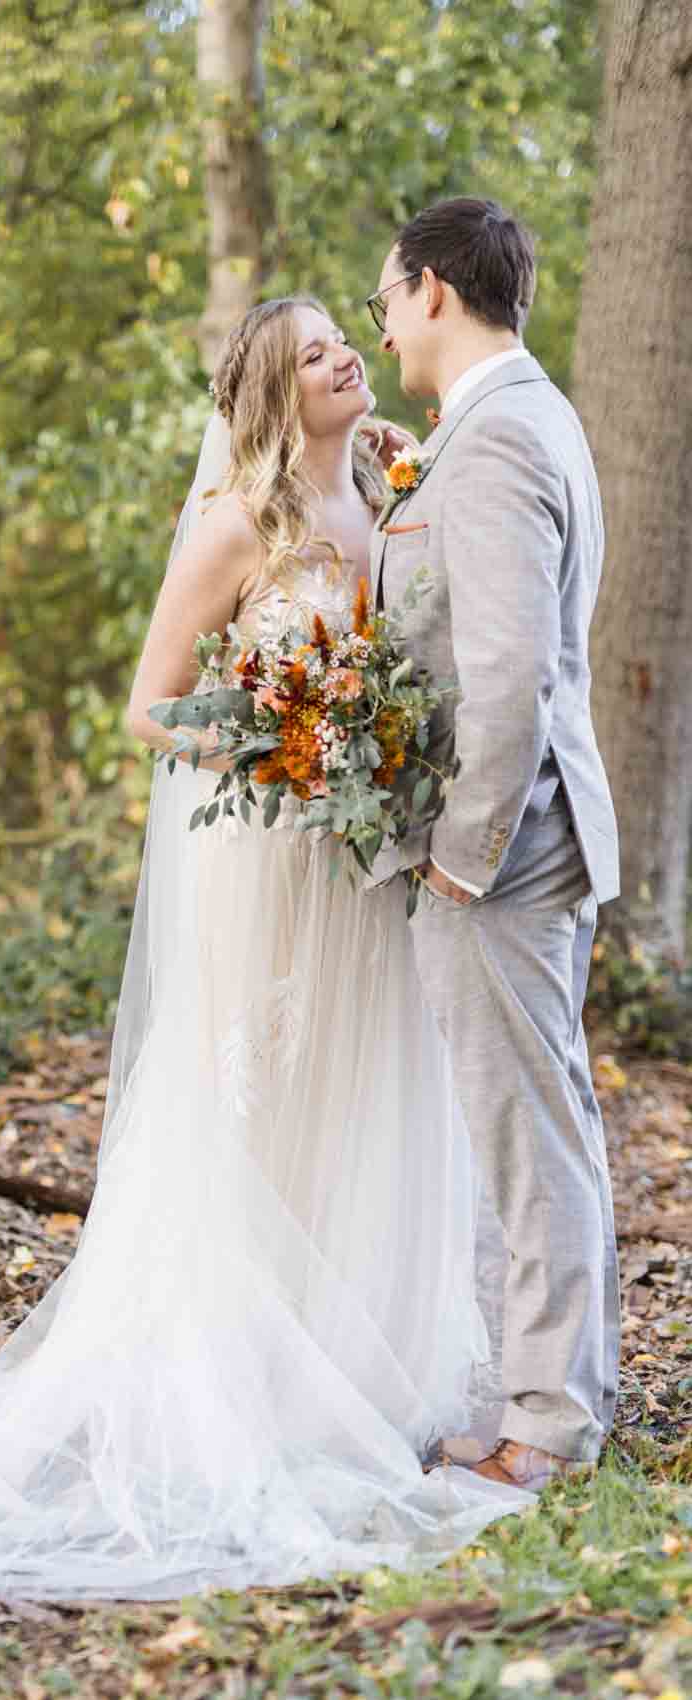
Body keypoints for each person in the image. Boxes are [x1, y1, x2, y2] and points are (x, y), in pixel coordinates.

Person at [0, 291, 538, 1602]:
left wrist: (390, 758)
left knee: (362, 1093)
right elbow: (151, 705)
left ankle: (352, 1384)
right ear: (267, 393)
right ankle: (240, 1384)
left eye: (342, 340)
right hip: (261, 851)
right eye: (314, 353)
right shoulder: (232, 522)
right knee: (253, 1101)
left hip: (364, 864)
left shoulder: (388, 491)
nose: (345, 357)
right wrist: (286, 746)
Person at [365, 196, 621, 1492]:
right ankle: (548, 1397)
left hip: (506, 849)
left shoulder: (501, 436)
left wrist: (461, 849)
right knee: (530, 1129)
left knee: (525, 1140)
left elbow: (511, 675)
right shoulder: (516, 420)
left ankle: (548, 1429)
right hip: (526, 835)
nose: (379, 322)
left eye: (382, 297)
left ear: (429, 291)